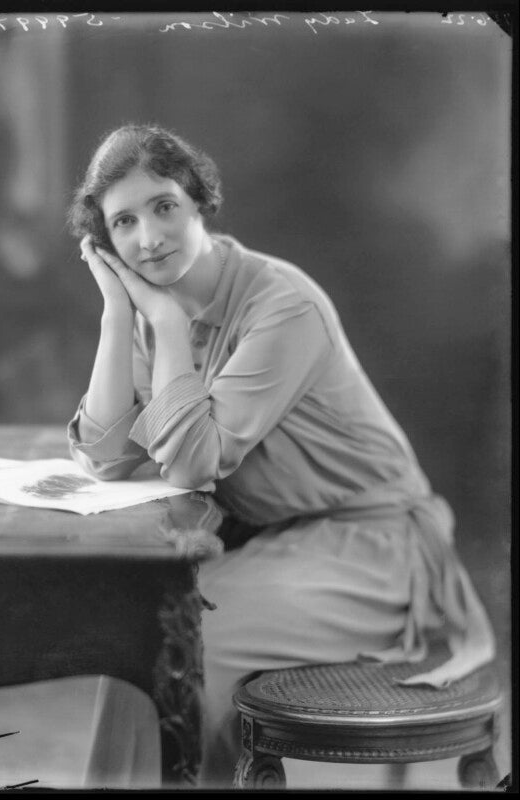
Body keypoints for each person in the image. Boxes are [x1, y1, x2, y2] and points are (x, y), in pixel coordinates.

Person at [66, 124, 495, 787]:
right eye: (123, 222)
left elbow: (191, 463)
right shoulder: (154, 310)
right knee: (139, 628)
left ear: (199, 201)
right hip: (283, 544)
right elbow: (105, 458)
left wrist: (168, 325)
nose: (148, 238)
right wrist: (116, 316)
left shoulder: (280, 304)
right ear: (104, 240)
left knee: (177, 636)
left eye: (163, 207)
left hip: (377, 553)